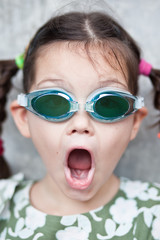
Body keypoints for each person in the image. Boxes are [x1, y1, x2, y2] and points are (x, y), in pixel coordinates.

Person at [0, 6, 160, 240]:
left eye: (109, 104)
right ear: (24, 118)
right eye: (54, 102)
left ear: (134, 122)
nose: (81, 123)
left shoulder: (154, 215)